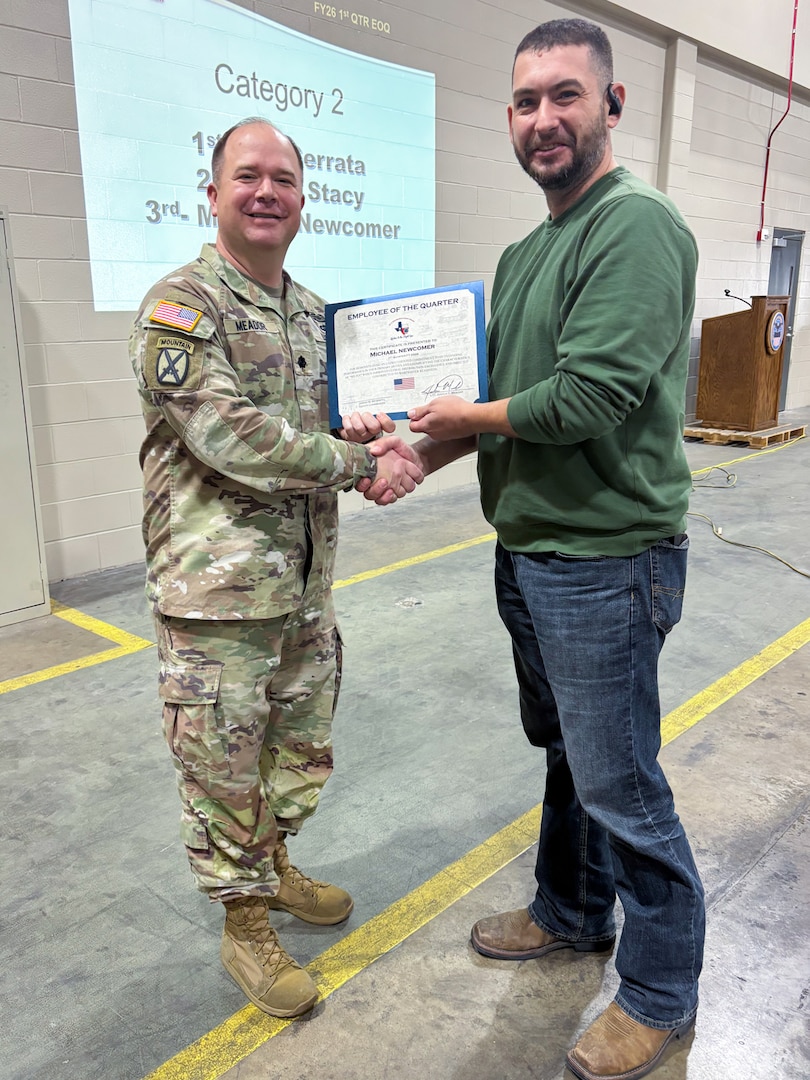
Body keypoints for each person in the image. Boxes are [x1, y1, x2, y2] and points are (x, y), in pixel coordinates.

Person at [348, 17, 704, 1080]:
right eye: (524, 101)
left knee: (622, 783)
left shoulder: (635, 225)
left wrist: (460, 417)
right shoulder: (526, 251)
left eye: (564, 95)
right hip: (534, 551)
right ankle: (571, 909)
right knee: (570, 764)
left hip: (605, 559)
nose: (543, 118)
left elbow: (588, 398)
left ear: (611, 105)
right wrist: (410, 453)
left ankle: (660, 991)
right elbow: (501, 408)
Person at [129, 117, 422, 1019]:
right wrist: (361, 465)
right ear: (213, 195)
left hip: (301, 589)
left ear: (304, 200)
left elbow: (321, 428)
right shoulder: (181, 308)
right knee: (222, 764)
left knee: (297, 754)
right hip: (218, 601)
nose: (268, 192)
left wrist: (366, 432)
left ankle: (271, 863)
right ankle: (243, 921)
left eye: (285, 179)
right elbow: (234, 438)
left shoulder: (311, 315)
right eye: (248, 176)